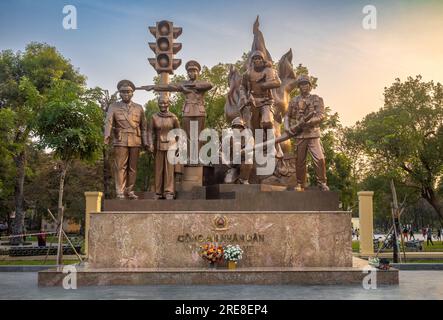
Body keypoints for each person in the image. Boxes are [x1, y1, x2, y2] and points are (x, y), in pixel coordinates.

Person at [139, 60, 213, 158]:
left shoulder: (200, 83)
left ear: (198, 72)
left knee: (199, 135)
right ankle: (190, 157)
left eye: (194, 71)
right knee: (188, 136)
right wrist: (153, 87)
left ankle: (198, 157)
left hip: (200, 112)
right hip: (187, 112)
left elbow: (210, 85)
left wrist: (191, 86)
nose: (191, 73)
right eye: (189, 72)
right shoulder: (183, 84)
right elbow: (168, 86)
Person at [104, 80, 149, 199]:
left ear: (132, 93)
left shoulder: (139, 108)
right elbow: (108, 121)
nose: (125, 94)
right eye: (123, 92)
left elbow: (144, 127)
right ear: (119, 93)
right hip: (120, 139)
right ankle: (120, 192)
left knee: (132, 168)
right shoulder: (113, 106)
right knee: (120, 167)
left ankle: (129, 190)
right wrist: (106, 136)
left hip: (135, 139)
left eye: (128, 92)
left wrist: (146, 142)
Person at [284, 75, 329, 191]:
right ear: (299, 87)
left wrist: (309, 123)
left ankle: (322, 182)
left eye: (306, 84)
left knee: (320, 158)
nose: (304, 86)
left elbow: (321, 115)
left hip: (313, 133)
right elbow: (287, 116)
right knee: (299, 161)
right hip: (299, 135)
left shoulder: (317, 99)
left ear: (310, 86)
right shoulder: (294, 101)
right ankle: (300, 184)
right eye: (302, 84)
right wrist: (287, 127)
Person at [148, 94, 180, 200]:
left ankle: (169, 192)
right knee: (158, 170)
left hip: (171, 146)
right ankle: (158, 192)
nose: (163, 105)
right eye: (161, 102)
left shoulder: (173, 117)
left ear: (168, 104)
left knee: (169, 170)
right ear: (158, 103)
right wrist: (150, 144)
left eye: (165, 103)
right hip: (158, 145)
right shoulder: (154, 117)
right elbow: (149, 132)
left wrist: (178, 146)